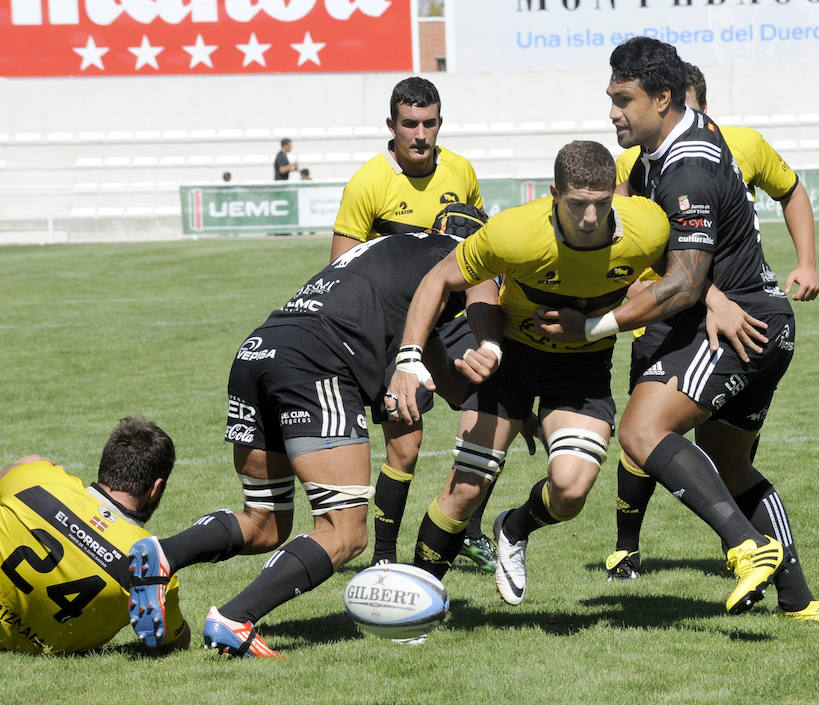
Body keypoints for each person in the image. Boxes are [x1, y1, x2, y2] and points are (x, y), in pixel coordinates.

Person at [127, 204, 494, 658]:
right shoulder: (467, 259)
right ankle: (234, 618)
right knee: (345, 533)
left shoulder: (396, 255)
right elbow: (481, 302)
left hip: (259, 350)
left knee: (264, 522)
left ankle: (163, 554)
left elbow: (452, 381)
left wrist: (508, 406)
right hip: (315, 363)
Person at [536, 37, 819, 618]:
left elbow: (683, 283)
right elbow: (669, 252)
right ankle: (799, 601)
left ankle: (745, 548)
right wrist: (710, 291)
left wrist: (591, 326)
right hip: (760, 320)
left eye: (623, 99)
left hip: (739, 326)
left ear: (662, 97)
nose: (612, 111)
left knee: (641, 433)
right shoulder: (663, 150)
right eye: (610, 98)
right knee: (731, 463)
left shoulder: (687, 164)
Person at [386, 141, 670, 607]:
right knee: (465, 489)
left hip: (583, 365)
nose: (589, 218)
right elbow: (443, 279)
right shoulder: (514, 232)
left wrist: (714, 302)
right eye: (577, 204)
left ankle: (514, 527)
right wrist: (416, 358)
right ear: (555, 193)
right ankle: (415, 600)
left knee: (571, 489)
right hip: (512, 359)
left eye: (601, 205)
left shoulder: (648, 226)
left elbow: (682, 278)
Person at [330, 76, 499, 571]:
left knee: (489, 414)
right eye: (410, 124)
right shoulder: (367, 184)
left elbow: (477, 249)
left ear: (440, 123)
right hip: (391, 329)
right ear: (391, 125)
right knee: (405, 445)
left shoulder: (461, 171)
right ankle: (384, 559)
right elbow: (341, 271)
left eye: (429, 123)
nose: (420, 134)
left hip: (448, 319)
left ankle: (463, 529)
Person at [0, 417, 189, 654]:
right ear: (156, 489)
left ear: (106, 464)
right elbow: (174, 642)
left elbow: (23, 465)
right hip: (39, 645)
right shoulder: (152, 567)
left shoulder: (37, 479)